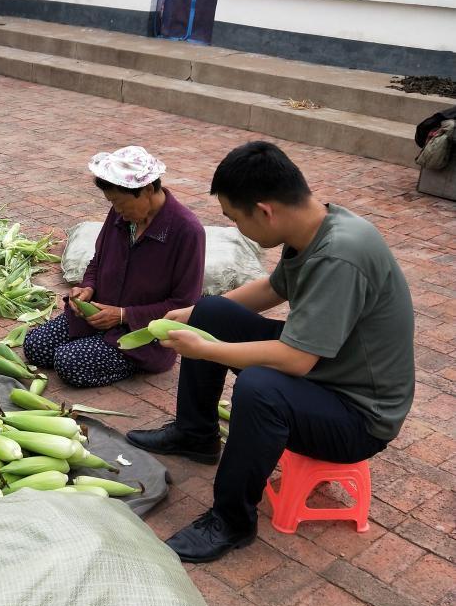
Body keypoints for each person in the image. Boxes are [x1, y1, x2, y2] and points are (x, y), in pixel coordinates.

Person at [127, 141, 415, 563]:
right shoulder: (314, 227)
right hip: (331, 371)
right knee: (213, 310)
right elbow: (273, 289)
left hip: (359, 415)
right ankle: (196, 435)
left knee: (262, 389)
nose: (235, 228)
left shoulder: (340, 255)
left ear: (264, 211)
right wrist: (192, 315)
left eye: (233, 218)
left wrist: (210, 349)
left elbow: (296, 360)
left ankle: (231, 521)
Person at [23, 146, 205, 387]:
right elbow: (98, 261)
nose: (117, 210)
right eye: (112, 203)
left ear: (148, 189)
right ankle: (90, 343)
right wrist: (87, 288)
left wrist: (122, 316)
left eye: (121, 203)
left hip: (139, 336)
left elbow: (183, 306)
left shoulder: (187, 232)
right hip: (96, 317)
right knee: (35, 346)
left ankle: (134, 363)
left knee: (67, 363)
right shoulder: (121, 215)